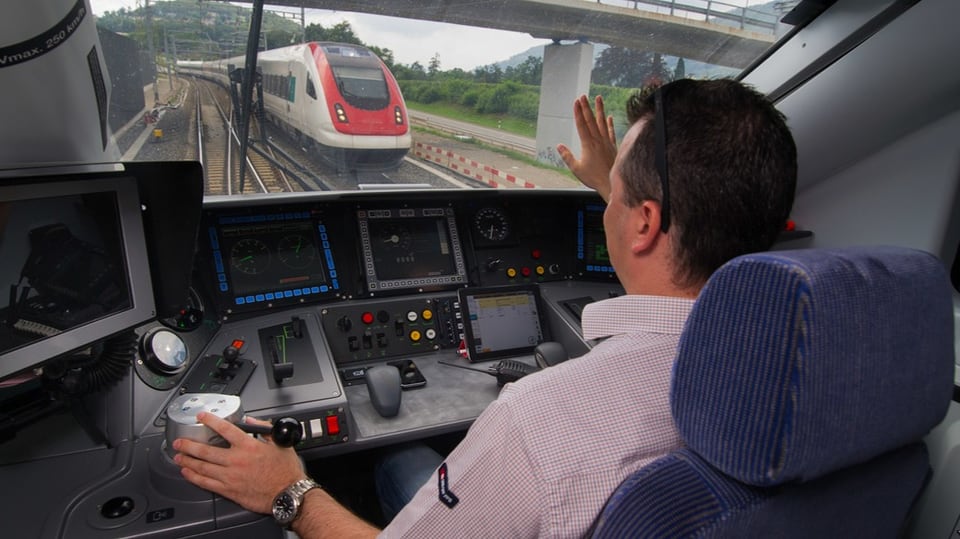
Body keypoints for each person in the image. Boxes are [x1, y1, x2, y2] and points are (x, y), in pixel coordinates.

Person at [173, 78, 797, 538]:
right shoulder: (808, 359)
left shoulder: (539, 422)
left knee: (396, 459)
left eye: (617, 198)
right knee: (405, 459)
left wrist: (288, 491)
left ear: (645, 222)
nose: (605, 204)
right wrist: (620, 187)